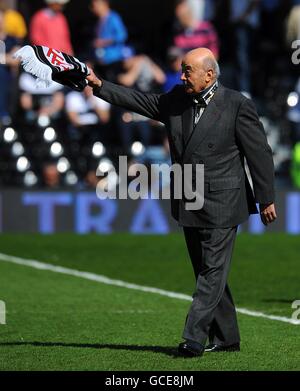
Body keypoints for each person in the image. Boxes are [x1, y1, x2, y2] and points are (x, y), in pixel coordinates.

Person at [86, 47, 277, 357]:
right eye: (182, 70)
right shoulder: (176, 99)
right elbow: (138, 100)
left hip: (224, 201)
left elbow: (259, 152)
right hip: (188, 198)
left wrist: (266, 197)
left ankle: (193, 339)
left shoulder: (237, 105)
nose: (182, 76)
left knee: (210, 273)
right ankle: (228, 338)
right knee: (207, 270)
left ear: (210, 75)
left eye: (188, 70)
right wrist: (98, 84)